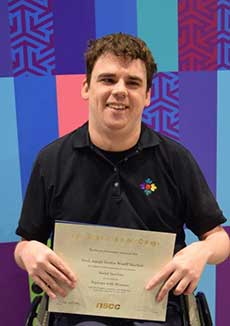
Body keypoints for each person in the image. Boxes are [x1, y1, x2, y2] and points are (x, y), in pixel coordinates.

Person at [14, 33, 229, 326]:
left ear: (148, 95)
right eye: (107, 79)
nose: (120, 91)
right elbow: (26, 244)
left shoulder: (175, 159)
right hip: (77, 316)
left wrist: (202, 251)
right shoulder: (52, 160)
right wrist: (28, 252)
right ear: (86, 87)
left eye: (133, 83)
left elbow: (219, 240)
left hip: (159, 316)